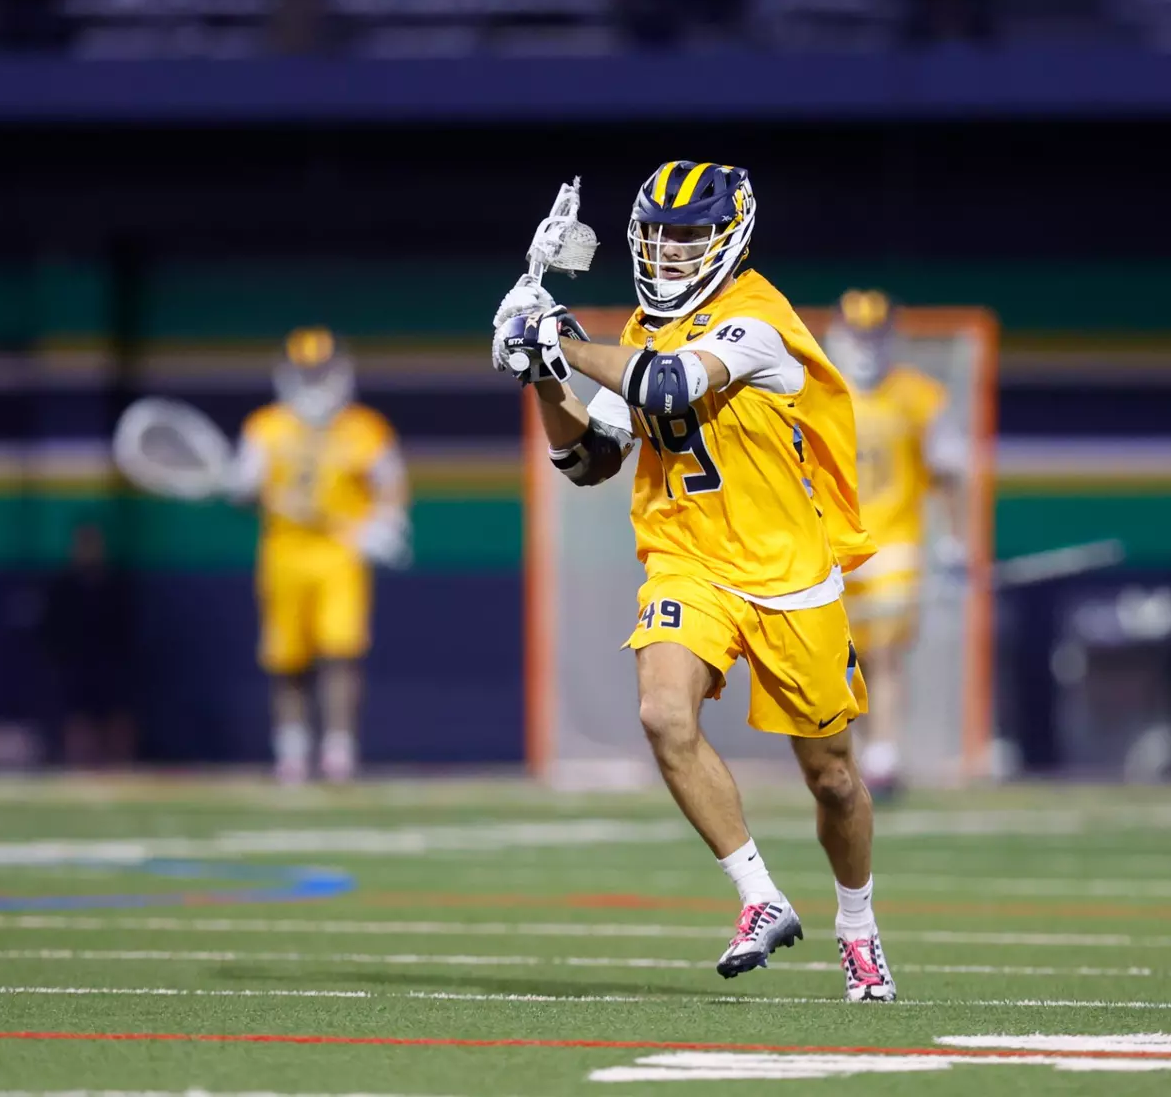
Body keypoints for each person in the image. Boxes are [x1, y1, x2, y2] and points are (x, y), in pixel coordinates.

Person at [491, 161, 897, 1002]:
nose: (670, 255)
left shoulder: (758, 322)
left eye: (688, 238)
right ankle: (759, 898)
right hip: (689, 559)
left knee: (834, 779)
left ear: (730, 239)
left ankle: (858, 927)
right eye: (658, 238)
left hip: (788, 574)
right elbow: (588, 459)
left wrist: (555, 338)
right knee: (661, 712)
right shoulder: (642, 328)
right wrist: (542, 376)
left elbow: (666, 382)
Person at [226, 327, 411, 785]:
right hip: (284, 551)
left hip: (339, 553)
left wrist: (384, 525)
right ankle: (291, 752)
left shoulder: (363, 427)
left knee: (340, 652)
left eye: (321, 371)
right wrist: (244, 490)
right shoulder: (265, 427)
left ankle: (338, 751)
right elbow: (244, 491)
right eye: (306, 371)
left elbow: (390, 484)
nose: (314, 381)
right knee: (286, 659)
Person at [822, 288, 967, 800]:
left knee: (884, 651)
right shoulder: (816, 391)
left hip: (894, 543)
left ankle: (885, 754)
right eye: (857, 334)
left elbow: (949, 471)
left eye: (874, 335)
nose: (866, 346)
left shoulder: (917, 396)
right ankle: (862, 755)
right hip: (834, 546)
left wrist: (954, 542)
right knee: (843, 660)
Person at [40, 522, 134, 767]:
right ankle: (81, 766)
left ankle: (118, 766)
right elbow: (53, 626)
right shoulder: (64, 585)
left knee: (117, 715)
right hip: (76, 662)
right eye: (84, 545)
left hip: (111, 661)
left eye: (93, 544)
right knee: (79, 718)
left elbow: (127, 624)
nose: (89, 551)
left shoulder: (114, 583)